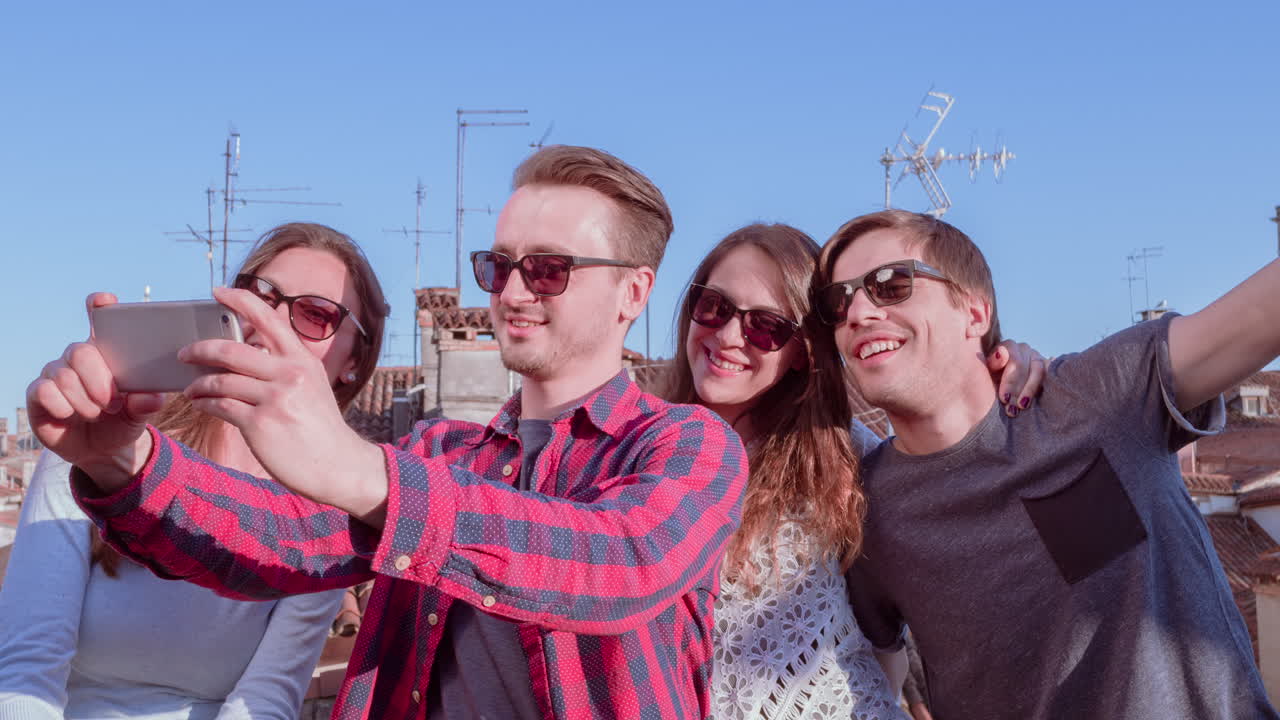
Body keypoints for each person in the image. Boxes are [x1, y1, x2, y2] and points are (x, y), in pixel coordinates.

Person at [27, 146, 747, 720]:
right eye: (498, 266)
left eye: (550, 269)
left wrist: (363, 474)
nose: (513, 291)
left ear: (634, 292)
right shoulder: (438, 453)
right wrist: (124, 460)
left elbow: (621, 563)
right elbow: (279, 540)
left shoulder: (689, 444)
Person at [816, 209, 1280, 719]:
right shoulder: (865, 511)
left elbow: (1263, 315)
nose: (856, 312)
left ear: (974, 312)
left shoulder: (1097, 399)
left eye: (890, 283)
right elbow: (875, 671)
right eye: (837, 303)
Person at [0, 221, 389, 720]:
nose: (265, 322)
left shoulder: (337, 504)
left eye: (314, 314)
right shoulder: (108, 435)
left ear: (354, 360)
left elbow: (265, 699)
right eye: (259, 295)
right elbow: (26, 672)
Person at [662, 223, 1043, 720]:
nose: (730, 336)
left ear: (802, 350)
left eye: (767, 326)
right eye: (714, 306)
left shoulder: (844, 457)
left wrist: (1003, 357)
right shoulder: (638, 448)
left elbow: (889, 641)